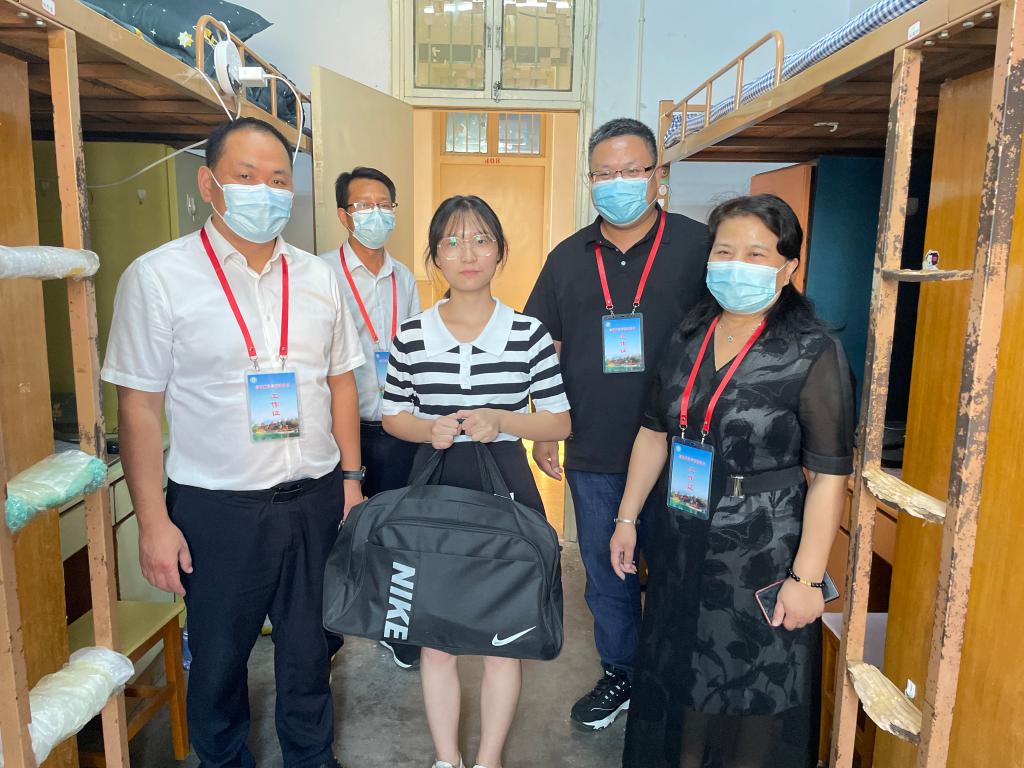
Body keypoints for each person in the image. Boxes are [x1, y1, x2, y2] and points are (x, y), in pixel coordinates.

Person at [101, 117, 365, 768]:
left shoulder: (317, 277)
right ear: (209, 184)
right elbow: (138, 407)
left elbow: (341, 384)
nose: (263, 192)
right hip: (217, 511)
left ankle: (312, 757)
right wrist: (153, 522)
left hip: (314, 499)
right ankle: (222, 759)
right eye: (245, 177)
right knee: (218, 659)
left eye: (277, 181)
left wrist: (352, 483)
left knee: (310, 651)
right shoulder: (159, 277)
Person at [611, 194, 854, 768]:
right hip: (681, 537)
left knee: (751, 687)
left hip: (762, 550)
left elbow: (828, 477)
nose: (736, 265)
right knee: (680, 675)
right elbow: (653, 433)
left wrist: (806, 578)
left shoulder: (812, 350)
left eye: (756, 253)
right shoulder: (688, 335)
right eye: (724, 251)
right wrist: (627, 518)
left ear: (788, 267)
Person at [523, 117, 708, 729]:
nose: (618, 183)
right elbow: (541, 348)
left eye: (631, 171)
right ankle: (622, 674)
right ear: (590, 180)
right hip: (596, 449)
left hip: (685, 449)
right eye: (604, 173)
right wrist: (545, 425)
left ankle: (678, 679)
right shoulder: (567, 257)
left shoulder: (699, 247)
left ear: (657, 174)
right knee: (608, 575)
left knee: (683, 570)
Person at [382, 195, 571, 768]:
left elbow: (559, 421)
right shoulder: (412, 334)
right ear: (435, 255)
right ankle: (448, 758)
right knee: (435, 641)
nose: (468, 253)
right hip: (434, 487)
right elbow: (393, 415)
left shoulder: (528, 333)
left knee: (502, 639)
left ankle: (488, 760)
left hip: (505, 487)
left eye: (481, 240)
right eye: (453, 242)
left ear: (500, 252)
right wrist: (427, 429)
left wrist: (504, 420)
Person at [322, 166, 422, 670]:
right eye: (364, 206)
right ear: (344, 215)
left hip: (397, 426)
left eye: (384, 204)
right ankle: (326, 633)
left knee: (396, 530)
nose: (375, 214)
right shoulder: (322, 273)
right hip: (342, 427)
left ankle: (393, 624)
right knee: (336, 532)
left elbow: (415, 346)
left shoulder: (404, 277)